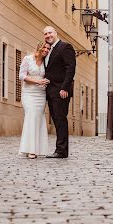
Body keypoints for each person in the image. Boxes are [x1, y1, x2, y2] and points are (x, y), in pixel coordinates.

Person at [43, 26, 76, 158]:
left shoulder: (65, 47)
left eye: (50, 32)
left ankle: (61, 150)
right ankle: (60, 149)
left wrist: (65, 88)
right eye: (45, 34)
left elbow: (70, 68)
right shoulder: (49, 49)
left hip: (61, 91)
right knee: (57, 120)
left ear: (56, 33)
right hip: (51, 91)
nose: (48, 35)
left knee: (60, 119)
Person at [19, 41, 51, 159]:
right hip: (29, 94)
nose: (46, 50)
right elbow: (22, 76)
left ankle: (37, 148)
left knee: (38, 119)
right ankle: (30, 149)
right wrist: (37, 81)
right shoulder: (28, 59)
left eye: (48, 49)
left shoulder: (46, 62)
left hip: (41, 94)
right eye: (45, 47)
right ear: (39, 47)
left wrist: (46, 81)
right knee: (30, 117)